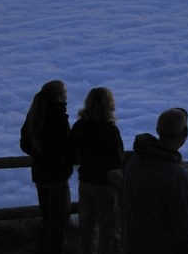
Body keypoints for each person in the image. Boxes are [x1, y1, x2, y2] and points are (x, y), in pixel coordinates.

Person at [122, 107, 188, 254]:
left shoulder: (134, 160)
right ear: (185, 133)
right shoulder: (176, 176)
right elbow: (183, 227)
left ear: (157, 129)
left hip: (134, 246)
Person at [70, 87, 124, 254]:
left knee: (86, 228)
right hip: (105, 185)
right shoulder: (110, 130)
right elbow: (117, 159)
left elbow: (72, 152)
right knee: (108, 229)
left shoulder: (80, 126)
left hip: (85, 182)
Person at [21, 80, 72, 254]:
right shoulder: (58, 117)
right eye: (65, 93)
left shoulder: (34, 114)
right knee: (59, 223)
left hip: (40, 176)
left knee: (47, 220)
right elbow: (66, 147)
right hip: (57, 177)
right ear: (58, 96)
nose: (67, 96)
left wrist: (39, 154)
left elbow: (25, 143)